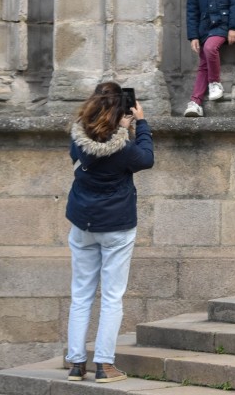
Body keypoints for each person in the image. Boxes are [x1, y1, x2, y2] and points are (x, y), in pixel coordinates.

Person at [64, 82, 152, 383]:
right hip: (116, 227)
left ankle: (76, 363)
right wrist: (139, 124)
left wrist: (118, 127)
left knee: (81, 295)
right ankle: (103, 364)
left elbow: (92, 147)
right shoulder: (125, 149)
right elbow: (146, 158)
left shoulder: (78, 140)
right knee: (112, 297)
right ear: (120, 111)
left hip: (82, 224)